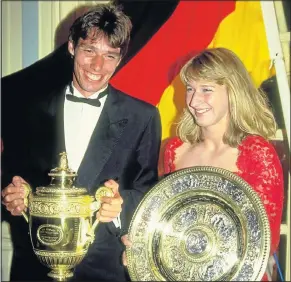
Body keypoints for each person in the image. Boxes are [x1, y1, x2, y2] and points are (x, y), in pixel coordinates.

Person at [1, 3, 161, 281]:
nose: (98, 66)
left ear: (120, 58)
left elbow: (148, 192)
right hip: (35, 270)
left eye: (110, 56)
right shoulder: (28, 109)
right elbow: (8, 175)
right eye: (89, 51)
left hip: (106, 270)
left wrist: (122, 205)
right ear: (72, 47)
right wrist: (11, 194)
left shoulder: (143, 117)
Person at [161, 47, 283, 281]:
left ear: (233, 92)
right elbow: (169, 227)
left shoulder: (256, 152)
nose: (194, 101)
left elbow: (265, 243)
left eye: (207, 90)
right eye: (190, 89)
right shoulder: (175, 150)